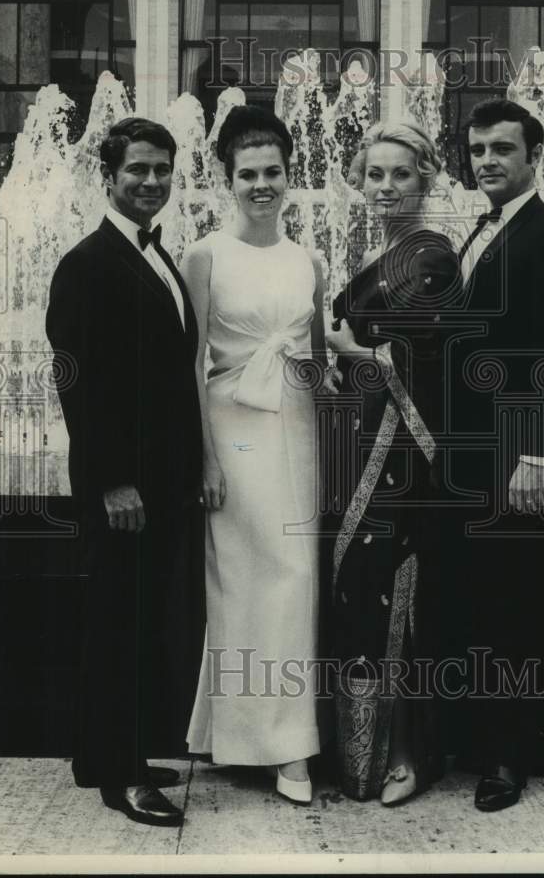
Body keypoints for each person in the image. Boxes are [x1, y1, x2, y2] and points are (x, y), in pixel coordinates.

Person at [435, 98, 544, 811]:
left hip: (519, 458)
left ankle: (509, 758)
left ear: (535, 156)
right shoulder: (483, 229)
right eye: (477, 151)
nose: (487, 162)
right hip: (476, 456)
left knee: (516, 608)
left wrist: (536, 457)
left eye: (502, 149)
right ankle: (513, 741)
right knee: (490, 600)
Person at [46, 117, 205, 827]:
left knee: (132, 617)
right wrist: (114, 481)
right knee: (123, 624)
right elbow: (78, 384)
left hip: (161, 482)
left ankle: (100, 753)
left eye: (161, 170)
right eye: (137, 169)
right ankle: (123, 776)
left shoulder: (154, 256)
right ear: (107, 176)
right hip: (124, 489)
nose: (150, 182)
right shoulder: (87, 263)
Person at [182, 105, 336, 805]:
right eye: (248, 174)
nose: (262, 185)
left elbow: (320, 358)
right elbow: (189, 365)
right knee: (240, 581)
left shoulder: (310, 259)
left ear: (289, 174)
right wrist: (205, 459)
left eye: (273, 172)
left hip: (295, 426)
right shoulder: (205, 254)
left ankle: (288, 745)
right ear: (227, 179)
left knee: (297, 574)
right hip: (231, 428)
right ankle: (250, 737)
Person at [325, 121, 461, 805]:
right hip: (361, 450)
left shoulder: (430, 257)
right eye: (373, 174)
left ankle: (408, 753)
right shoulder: (378, 255)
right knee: (364, 591)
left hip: (406, 458)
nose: (384, 187)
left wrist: (349, 356)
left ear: (425, 179)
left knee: (399, 597)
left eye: (399, 175)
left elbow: (424, 357)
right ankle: (362, 752)